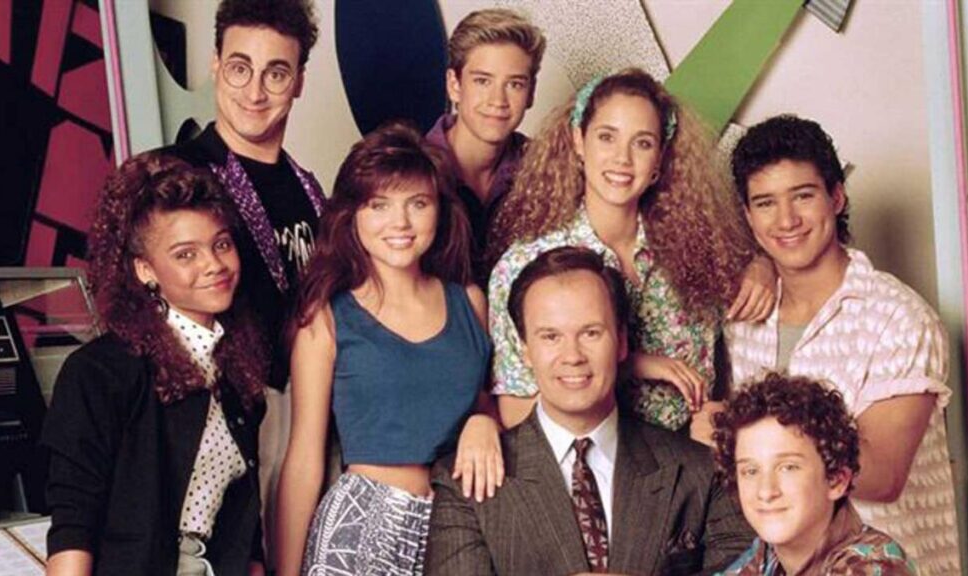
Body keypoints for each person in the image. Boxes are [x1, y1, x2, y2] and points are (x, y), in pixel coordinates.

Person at [717, 114, 958, 574]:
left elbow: (884, 477)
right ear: (748, 215)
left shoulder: (898, 318)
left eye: (803, 196)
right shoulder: (744, 320)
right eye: (765, 203)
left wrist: (728, 436)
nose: (786, 219)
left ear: (836, 197)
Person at [425, 246, 753, 575]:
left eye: (591, 333)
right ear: (525, 350)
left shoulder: (699, 471)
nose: (573, 356)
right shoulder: (466, 483)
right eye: (550, 337)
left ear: (622, 342)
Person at [487, 68, 775, 431]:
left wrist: (763, 265)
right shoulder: (523, 266)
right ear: (578, 141)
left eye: (643, 143)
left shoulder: (697, 245)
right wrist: (631, 365)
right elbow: (517, 416)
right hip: (591, 462)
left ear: (660, 159)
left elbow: (784, 256)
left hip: (694, 454)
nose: (622, 158)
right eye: (607, 137)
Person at [274, 122, 500, 576]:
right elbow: (303, 458)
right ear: (352, 215)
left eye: (418, 203)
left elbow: (486, 402)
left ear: (440, 210)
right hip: (361, 527)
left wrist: (483, 419)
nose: (400, 223)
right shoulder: (326, 317)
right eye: (379, 205)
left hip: (457, 523)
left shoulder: (469, 301)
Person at [42, 154, 268, 575]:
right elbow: (74, 522)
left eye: (221, 244)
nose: (214, 265)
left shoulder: (236, 365)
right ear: (146, 270)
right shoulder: (99, 372)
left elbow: (244, 523)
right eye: (186, 254)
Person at [161, 0, 326, 562]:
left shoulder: (309, 187)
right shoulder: (179, 176)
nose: (254, 91)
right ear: (215, 65)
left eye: (276, 73)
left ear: (299, 81)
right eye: (239, 68)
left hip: (302, 422)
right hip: (210, 428)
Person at [714, 373, 916, 575]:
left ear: (836, 480)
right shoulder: (764, 554)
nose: (766, 491)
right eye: (750, 471)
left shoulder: (872, 566)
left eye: (788, 467)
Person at [425, 8, 546, 284]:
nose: (498, 101)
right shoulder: (409, 168)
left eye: (514, 84)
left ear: (531, 93)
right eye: (482, 81)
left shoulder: (544, 169)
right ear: (454, 85)